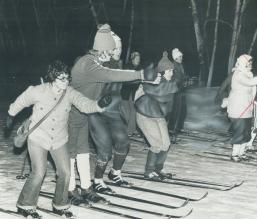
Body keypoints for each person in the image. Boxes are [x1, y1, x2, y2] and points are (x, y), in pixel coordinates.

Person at [4, 60, 111, 218]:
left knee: (66, 172)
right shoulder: (38, 91)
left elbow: (83, 103)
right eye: (62, 78)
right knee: (39, 172)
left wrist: (98, 105)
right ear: (53, 77)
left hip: (59, 139)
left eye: (67, 78)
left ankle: (60, 205)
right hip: (38, 137)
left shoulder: (69, 92)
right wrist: (11, 115)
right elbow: (21, 101)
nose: (66, 82)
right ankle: (25, 205)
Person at [67, 24, 156, 205]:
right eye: (110, 49)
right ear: (101, 49)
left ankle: (86, 187)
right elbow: (109, 75)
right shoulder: (87, 63)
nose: (112, 53)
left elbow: (108, 76)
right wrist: (140, 73)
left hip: (87, 112)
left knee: (83, 153)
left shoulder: (96, 61)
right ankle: (69, 189)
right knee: (71, 153)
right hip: (71, 113)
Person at [134, 51, 178, 180]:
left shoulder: (168, 83)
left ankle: (159, 169)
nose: (171, 73)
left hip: (158, 116)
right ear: (162, 72)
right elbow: (158, 91)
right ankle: (149, 171)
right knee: (157, 144)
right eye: (169, 71)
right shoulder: (154, 81)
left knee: (166, 144)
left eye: (172, 70)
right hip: (145, 115)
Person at [120, 51, 142, 136]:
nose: (138, 60)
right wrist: (136, 81)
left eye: (139, 59)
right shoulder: (127, 67)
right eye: (136, 58)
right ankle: (131, 128)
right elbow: (125, 80)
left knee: (134, 110)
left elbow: (140, 79)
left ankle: (130, 130)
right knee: (126, 112)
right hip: (126, 92)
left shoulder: (140, 68)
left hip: (134, 93)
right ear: (132, 59)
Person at [168, 48, 187, 142]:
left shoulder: (180, 65)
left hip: (180, 91)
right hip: (176, 92)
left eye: (181, 56)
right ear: (176, 58)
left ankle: (175, 130)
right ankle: (171, 132)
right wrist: (182, 82)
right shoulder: (174, 66)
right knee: (175, 112)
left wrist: (186, 80)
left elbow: (181, 78)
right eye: (180, 56)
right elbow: (174, 79)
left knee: (181, 111)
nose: (181, 58)